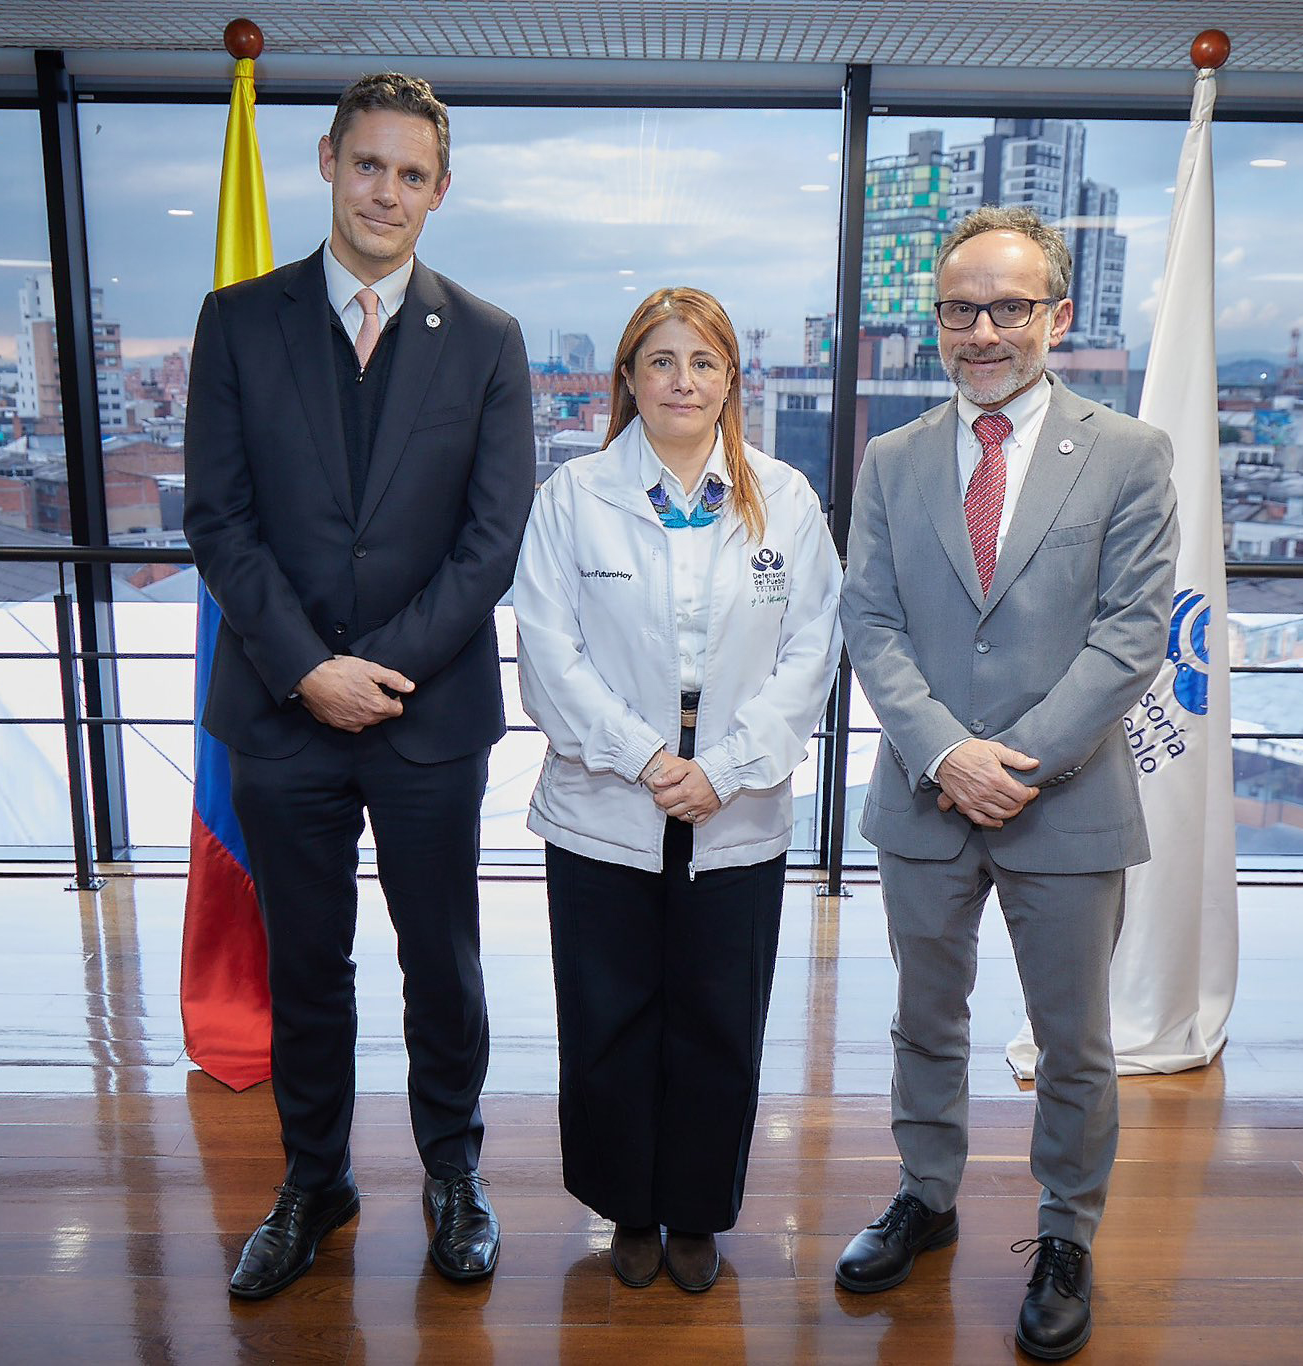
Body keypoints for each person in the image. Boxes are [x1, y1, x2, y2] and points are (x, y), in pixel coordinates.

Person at [184, 72, 533, 1298]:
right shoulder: (236, 319)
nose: (386, 191)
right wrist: (307, 670)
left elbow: (491, 542)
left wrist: (376, 674)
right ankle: (312, 1177)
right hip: (279, 718)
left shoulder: (487, 339)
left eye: (412, 173)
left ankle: (452, 1171)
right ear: (326, 161)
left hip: (428, 720)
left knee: (440, 958)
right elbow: (217, 522)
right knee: (304, 964)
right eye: (367, 164)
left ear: (441, 191)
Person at [833, 206, 1177, 1360]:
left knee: (1072, 1041)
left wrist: (1012, 763)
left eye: (1007, 307)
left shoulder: (1129, 454)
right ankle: (924, 1199)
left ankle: (1064, 1233)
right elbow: (869, 622)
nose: (981, 331)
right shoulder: (890, 459)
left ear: (1057, 316)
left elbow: (1131, 637)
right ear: (935, 320)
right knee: (923, 1022)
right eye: (957, 309)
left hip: (1064, 802)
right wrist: (946, 753)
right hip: (923, 798)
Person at [513, 287, 842, 1292]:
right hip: (605, 790)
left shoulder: (782, 498)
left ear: (730, 381)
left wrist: (727, 768)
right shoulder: (574, 494)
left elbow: (811, 650)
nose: (680, 381)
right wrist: (646, 756)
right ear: (625, 379)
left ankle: (695, 1209)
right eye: (658, 362)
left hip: (733, 793)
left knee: (716, 1012)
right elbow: (545, 649)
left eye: (701, 363)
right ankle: (627, 1206)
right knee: (607, 1011)